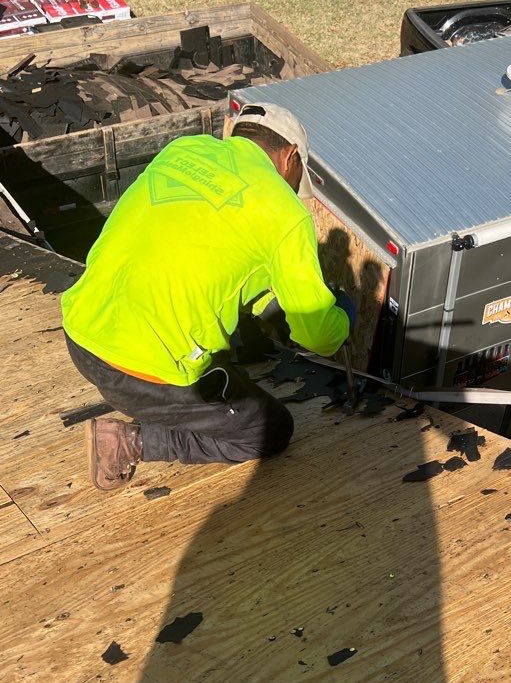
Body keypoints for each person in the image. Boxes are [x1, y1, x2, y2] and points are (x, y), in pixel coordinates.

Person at [61, 103, 355, 491]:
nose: (292, 187)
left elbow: (204, 250)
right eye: (296, 177)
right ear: (291, 157)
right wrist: (342, 316)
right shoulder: (285, 213)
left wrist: (265, 298)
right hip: (140, 376)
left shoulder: (183, 151)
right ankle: (130, 441)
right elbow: (319, 336)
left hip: (81, 333)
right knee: (271, 430)